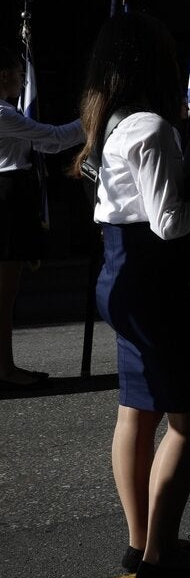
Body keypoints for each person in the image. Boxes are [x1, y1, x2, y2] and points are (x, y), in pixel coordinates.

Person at [74, 12, 190, 578]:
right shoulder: (150, 127)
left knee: (137, 410)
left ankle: (142, 541)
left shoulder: (113, 124)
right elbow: (168, 222)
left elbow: (137, 217)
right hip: (150, 287)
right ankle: (160, 555)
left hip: (124, 274)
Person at [0, 46, 83, 390]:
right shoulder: (2, 114)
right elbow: (54, 138)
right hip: (6, 197)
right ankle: (5, 369)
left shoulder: (7, 112)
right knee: (4, 293)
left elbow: (46, 145)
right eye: (20, 73)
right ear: (4, 75)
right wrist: (93, 117)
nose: (23, 80)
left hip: (12, 194)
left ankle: (5, 365)